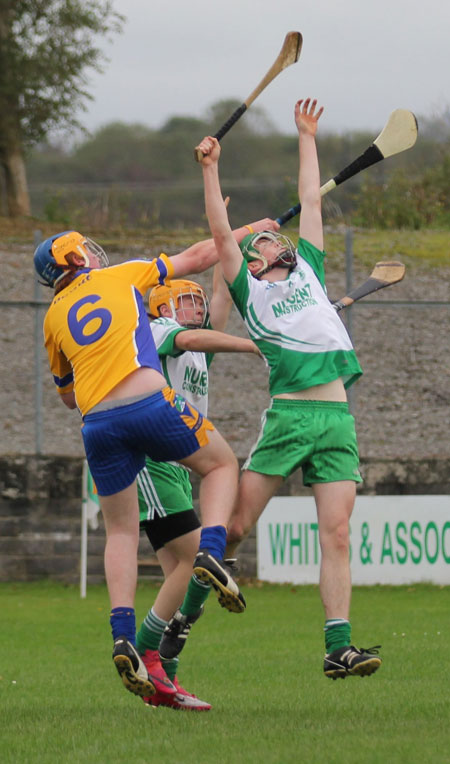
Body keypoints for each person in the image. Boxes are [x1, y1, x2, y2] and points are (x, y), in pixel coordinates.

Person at [33, 219, 277, 701]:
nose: (97, 255)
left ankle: (125, 636)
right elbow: (196, 257)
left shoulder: (52, 318)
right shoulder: (119, 276)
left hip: (96, 425)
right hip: (148, 404)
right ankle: (211, 551)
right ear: (79, 260)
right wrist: (247, 230)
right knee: (222, 465)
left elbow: (67, 396)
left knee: (120, 532)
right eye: (88, 250)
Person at [194, 98, 382, 680]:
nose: (275, 242)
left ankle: (338, 647)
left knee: (337, 533)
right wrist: (209, 169)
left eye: (274, 240)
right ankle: (177, 627)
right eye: (264, 244)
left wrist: (307, 137)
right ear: (251, 263)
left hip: (337, 418)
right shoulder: (252, 293)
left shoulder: (311, 270)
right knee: (237, 530)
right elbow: (223, 236)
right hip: (291, 417)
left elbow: (309, 199)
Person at [135, 271, 261, 710]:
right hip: (155, 462)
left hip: (178, 467)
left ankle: (163, 684)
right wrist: (254, 345)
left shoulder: (196, 349)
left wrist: (227, 249)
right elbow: (191, 339)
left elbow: (219, 308)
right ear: (164, 309)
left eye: (197, 302)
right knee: (197, 561)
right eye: (185, 302)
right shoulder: (158, 330)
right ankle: (144, 648)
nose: (197, 308)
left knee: (182, 572)